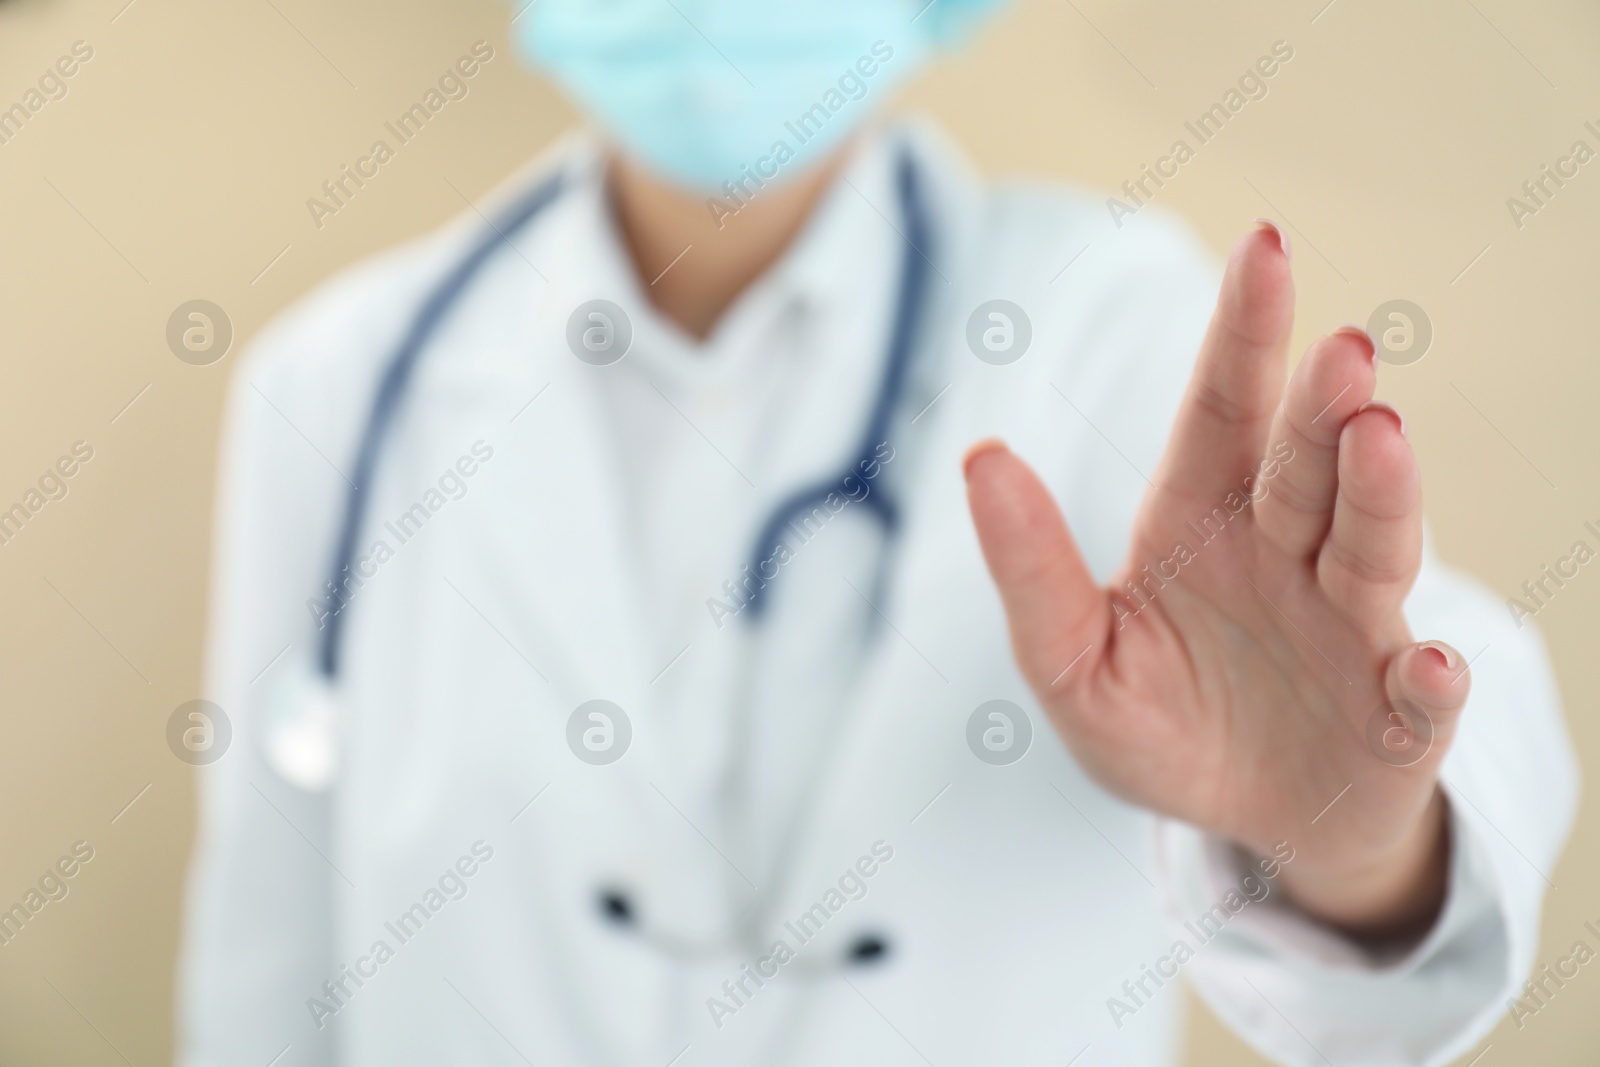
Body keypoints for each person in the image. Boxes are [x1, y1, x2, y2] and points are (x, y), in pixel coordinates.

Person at [178, 1, 1577, 1064]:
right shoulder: (340, 389)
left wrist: (1348, 840)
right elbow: (262, 977)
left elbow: (1450, 694)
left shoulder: (1119, 328)